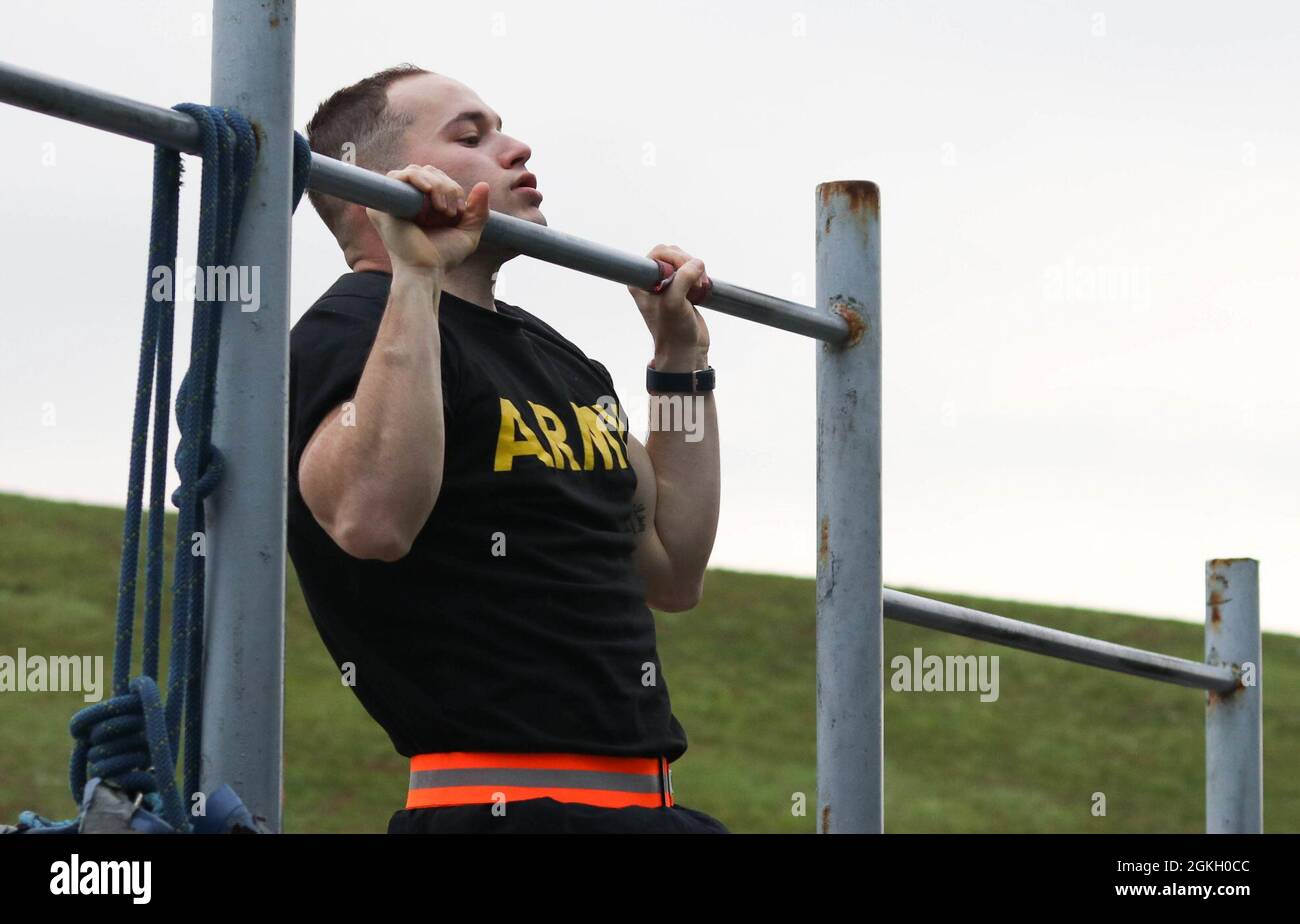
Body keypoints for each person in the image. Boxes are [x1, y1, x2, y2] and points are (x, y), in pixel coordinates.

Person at [288, 64, 726, 833]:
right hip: (497, 811)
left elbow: (671, 570)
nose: (517, 148)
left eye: (502, 128)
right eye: (472, 135)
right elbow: (371, 520)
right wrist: (417, 280)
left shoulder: (555, 356)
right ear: (375, 190)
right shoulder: (343, 329)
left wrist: (679, 365)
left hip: (652, 809)